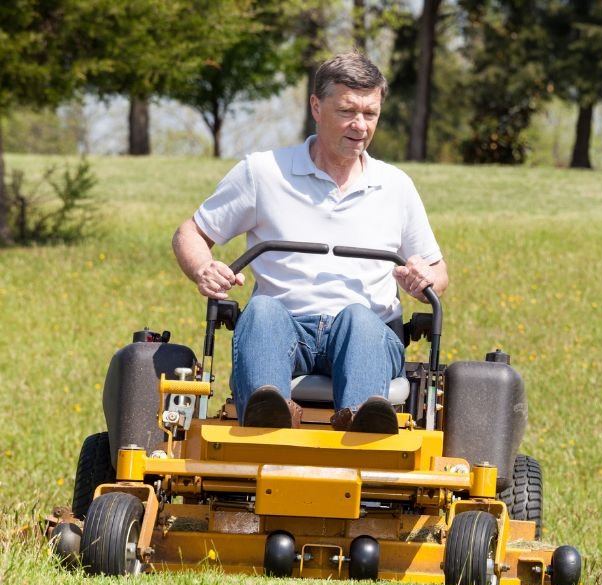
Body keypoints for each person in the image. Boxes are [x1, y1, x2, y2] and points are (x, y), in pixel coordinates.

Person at [171, 52, 448, 433]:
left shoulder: (395, 186)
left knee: (359, 318)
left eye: (371, 114)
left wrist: (424, 280)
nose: (360, 126)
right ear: (316, 106)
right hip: (285, 329)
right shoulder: (263, 172)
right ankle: (267, 411)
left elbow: (437, 271)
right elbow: (191, 234)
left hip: (366, 334)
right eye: (348, 111)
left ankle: (362, 420)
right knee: (263, 310)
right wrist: (204, 268)